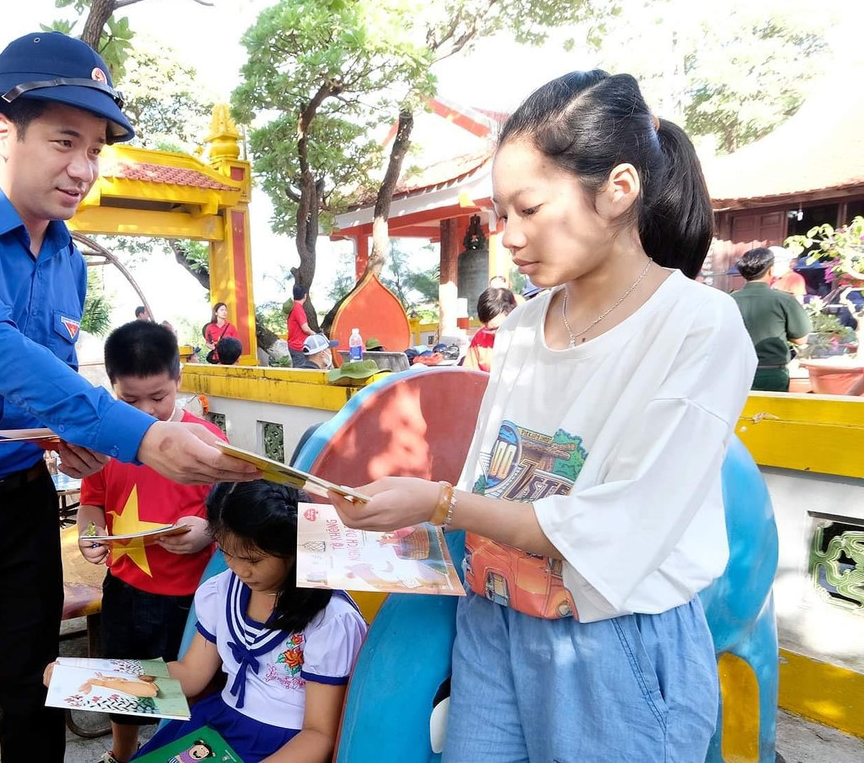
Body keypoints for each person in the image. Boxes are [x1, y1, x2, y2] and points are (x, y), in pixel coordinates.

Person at [329, 71, 755, 762]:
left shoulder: (699, 329)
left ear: (619, 189)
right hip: (494, 622)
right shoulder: (525, 325)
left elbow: (618, 528)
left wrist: (439, 503)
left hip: (613, 643)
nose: (509, 237)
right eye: (500, 215)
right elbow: (494, 483)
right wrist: (415, 516)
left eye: (528, 209)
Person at [0, 31, 256, 763]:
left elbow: (49, 371)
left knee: (38, 685)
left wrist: (73, 437)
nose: (83, 169)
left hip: (17, 503)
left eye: (96, 149)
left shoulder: (67, 254)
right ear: (3, 133)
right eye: (65, 142)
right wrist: (139, 435)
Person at [74, 321, 224, 763]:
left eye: (159, 397)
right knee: (126, 684)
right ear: (112, 387)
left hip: (191, 598)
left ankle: (179, 753)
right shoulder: (106, 444)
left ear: (179, 379)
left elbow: (229, 516)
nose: (147, 411)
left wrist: (207, 531)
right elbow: (91, 505)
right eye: (129, 400)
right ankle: (122, 754)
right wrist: (89, 536)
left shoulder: (207, 443)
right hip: (124, 590)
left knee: (186, 690)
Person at [134, 480, 366, 763]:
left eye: (252, 560)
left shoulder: (330, 620)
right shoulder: (222, 591)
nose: (237, 568)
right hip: (218, 723)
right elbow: (192, 674)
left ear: (293, 550)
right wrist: (117, 680)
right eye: (226, 553)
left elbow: (319, 734)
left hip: (286, 746)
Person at [731, 247, 811, 392]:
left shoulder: (728, 300)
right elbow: (801, 339)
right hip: (772, 373)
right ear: (770, 270)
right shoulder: (784, 300)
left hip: (735, 372)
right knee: (770, 414)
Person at [462, 287, 518, 372]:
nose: (493, 333)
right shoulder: (480, 337)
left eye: (497, 328)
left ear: (513, 315)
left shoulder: (528, 337)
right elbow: (469, 374)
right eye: (488, 329)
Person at [286, 284, 310, 367]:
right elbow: (305, 329)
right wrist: (314, 334)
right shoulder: (298, 308)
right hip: (298, 346)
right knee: (301, 371)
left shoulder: (293, 307)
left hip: (293, 345)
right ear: (305, 295)